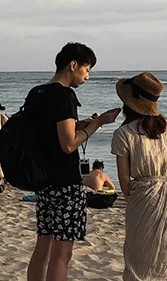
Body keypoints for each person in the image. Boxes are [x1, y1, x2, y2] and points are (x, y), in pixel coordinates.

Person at [26, 42, 120, 281]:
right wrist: (98, 124)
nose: (87, 76)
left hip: (42, 180)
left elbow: (46, 133)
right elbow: (68, 145)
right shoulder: (65, 96)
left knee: (42, 248)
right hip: (65, 182)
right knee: (62, 253)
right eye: (87, 69)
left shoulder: (37, 93)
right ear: (73, 65)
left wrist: (80, 126)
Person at [111, 71, 167, 280]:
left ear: (129, 103)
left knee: (139, 258)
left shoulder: (124, 133)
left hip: (143, 195)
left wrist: (135, 197)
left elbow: (123, 178)